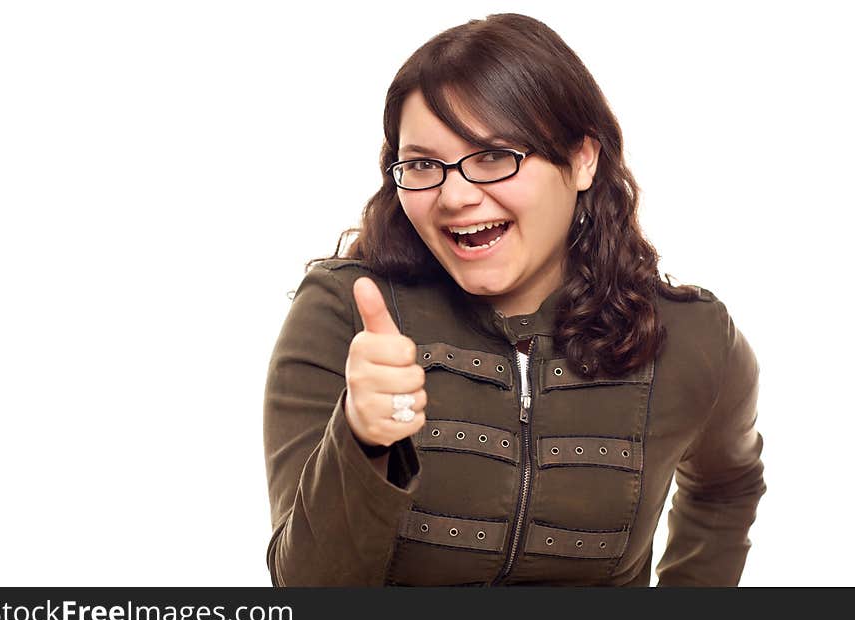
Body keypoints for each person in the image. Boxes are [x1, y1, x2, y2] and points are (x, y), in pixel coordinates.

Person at [262, 12, 766, 586]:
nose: (454, 195)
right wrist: (362, 437)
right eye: (424, 164)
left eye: (494, 156)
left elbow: (728, 487)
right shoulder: (345, 310)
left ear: (582, 159)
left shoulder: (691, 336)